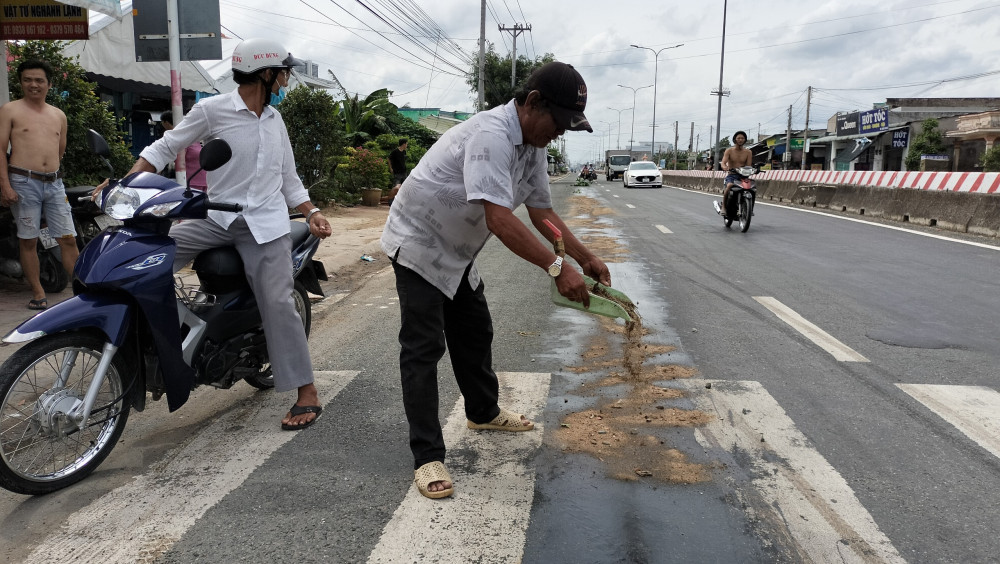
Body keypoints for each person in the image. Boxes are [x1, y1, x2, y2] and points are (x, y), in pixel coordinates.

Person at [380, 61, 612, 500]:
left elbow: (541, 212)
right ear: (533, 102)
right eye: (558, 122)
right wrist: (558, 268)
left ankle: (483, 412)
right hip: (419, 243)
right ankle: (426, 455)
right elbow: (500, 219)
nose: (559, 133)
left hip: (458, 251)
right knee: (423, 348)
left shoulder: (533, 145)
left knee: (475, 331)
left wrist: (586, 258)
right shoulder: (492, 135)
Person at [99, 39, 332, 430]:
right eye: (284, 72)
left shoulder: (275, 121)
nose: (287, 79)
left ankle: (306, 390)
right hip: (216, 217)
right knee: (142, 259)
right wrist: (125, 185)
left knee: (277, 302)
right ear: (266, 74)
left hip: (265, 225)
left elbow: (288, 177)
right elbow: (165, 147)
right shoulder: (213, 109)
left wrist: (312, 212)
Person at [0, 60, 79, 310]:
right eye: (27, 79)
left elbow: (60, 150)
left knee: (68, 239)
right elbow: (0, 150)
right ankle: (37, 292)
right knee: (28, 240)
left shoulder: (58, 115)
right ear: (21, 82)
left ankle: (82, 291)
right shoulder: (10, 110)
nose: (33, 84)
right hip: (23, 182)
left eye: (39, 80)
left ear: (49, 84)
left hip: (54, 183)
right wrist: (5, 185)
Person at [719, 130, 753, 217]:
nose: (740, 140)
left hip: (743, 175)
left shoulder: (748, 152)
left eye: (742, 138)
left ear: (745, 140)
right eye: (738, 138)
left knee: (753, 188)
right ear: (735, 139)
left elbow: (748, 166)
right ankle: (724, 207)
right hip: (732, 175)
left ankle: (750, 209)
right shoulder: (729, 150)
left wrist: (752, 170)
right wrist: (725, 167)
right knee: (729, 186)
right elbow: (723, 162)